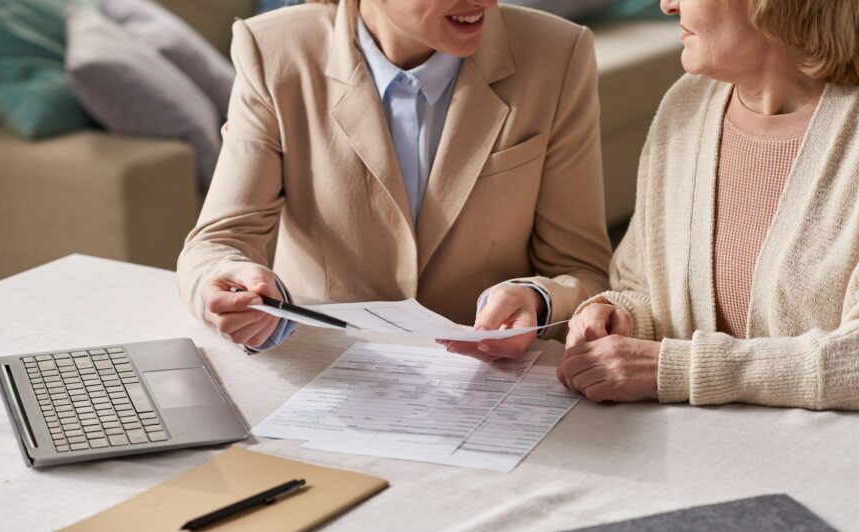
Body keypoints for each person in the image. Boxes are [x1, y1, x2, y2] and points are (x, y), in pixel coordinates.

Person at [558, 0, 859, 423]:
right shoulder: (685, 106)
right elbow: (642, 281)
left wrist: (674, 370)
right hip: (734, 452)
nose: (666, 3)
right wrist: (620, 315)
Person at [177, 0, 612, 359]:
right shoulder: (274, 50)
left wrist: (537, 299)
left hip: (486, 386)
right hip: (325, 374)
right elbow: (217, 243)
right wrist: (228, 280)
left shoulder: (558, 54)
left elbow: (583, 272)